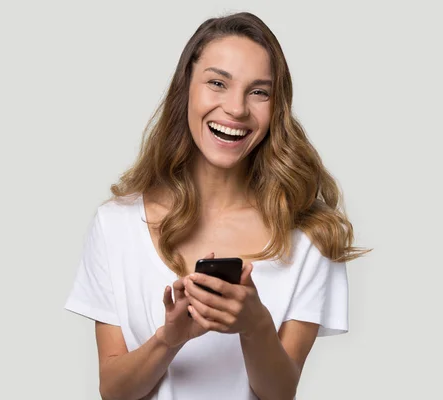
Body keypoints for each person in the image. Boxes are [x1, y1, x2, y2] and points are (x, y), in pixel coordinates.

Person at [65, 11, 370, 400]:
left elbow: (279, 393)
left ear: (277, 107)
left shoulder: (310, 237)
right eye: (217, 83)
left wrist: (255, 325)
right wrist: (169, 339)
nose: (237, 109)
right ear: (185, 89)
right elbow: (113, 391)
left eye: (259, 91)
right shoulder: (116, 224)